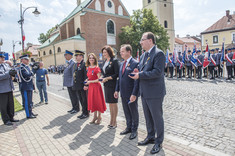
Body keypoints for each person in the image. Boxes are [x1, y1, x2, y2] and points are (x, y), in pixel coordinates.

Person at [130, 32, 166, 154]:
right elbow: (142, 69)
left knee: (157, 118)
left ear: (150, 40)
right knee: (148, 118)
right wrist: (137, 71)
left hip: (155, 92)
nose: (140, 42)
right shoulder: (145, 55)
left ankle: (158, 142)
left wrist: (139, 75)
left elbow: (157, 72)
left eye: (142, 39)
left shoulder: (159, 53)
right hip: (145, 92)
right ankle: (150, 136)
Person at [114, 44, 139, 140]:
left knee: (133, 112)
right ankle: (128, 127)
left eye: (123, 51)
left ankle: (134, 130)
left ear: (129, 52)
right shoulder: (122, 64)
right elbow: (119, 79)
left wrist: (134, 94)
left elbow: (137, 81)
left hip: (131, 93)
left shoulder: (135, 63)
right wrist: (116, 90)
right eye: (120, 52)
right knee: (126, 111)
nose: (121, 53)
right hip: (123, 93)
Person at [84, 53, 106, 125]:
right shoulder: (88, 67)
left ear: (95, 59)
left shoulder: (97, 68)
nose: (91, 59)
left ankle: (99, 117)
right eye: (90, 58)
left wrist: (90, 81)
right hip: (91, 87)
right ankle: (95, 116)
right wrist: (87, 80)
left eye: (92, 58)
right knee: (93, 102)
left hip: (96, 87)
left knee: (98, 102)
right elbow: (89, 76)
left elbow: (99, 79)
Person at [101, 46, 119, 129]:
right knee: (110, 103)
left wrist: (107, 78)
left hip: (112, 84)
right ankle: (111, 120)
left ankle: (114, 122)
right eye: (103, 52)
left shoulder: (114, 61)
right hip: (106, 85)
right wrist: (102, 78)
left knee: (113, 103)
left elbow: (116, 74)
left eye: (105, 52)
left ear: (109, 52)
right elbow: (104, 73)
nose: (104, 54)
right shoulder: (105, 61)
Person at [0, 52, 19, 125]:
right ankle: (6, 120)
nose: (3, 59)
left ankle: (11, 117)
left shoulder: (6, 65)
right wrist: (8, 74)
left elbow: (12, 72)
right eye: (1, 57)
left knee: (10, 104)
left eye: (3, 58)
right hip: (2, 90)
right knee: (3, 106)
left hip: (9, 88)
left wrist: (12, 68)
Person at [18, 55, 37, 119]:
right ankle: (28, 115)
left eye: (28, 59)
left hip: (29, 86)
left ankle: (30, 112)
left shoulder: (27, 67)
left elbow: (30, 75)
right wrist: (34, 70)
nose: (28, 61)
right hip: (25, 87)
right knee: (26, 102)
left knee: (30, 101)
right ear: (22, 60)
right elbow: (27, 75)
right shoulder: (22, 68)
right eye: (26, 59)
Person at [72, 50, 89, 119]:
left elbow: (86, 76)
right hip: (77, 86)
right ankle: (83, 112)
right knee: (81, 99)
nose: (76, 57)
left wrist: (86, 85)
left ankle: (86, 113)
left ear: (81, 56)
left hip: (82, 86)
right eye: (75, 56)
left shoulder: (84, 64)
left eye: (77, 56)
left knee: (84, 100)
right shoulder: (76, 64)